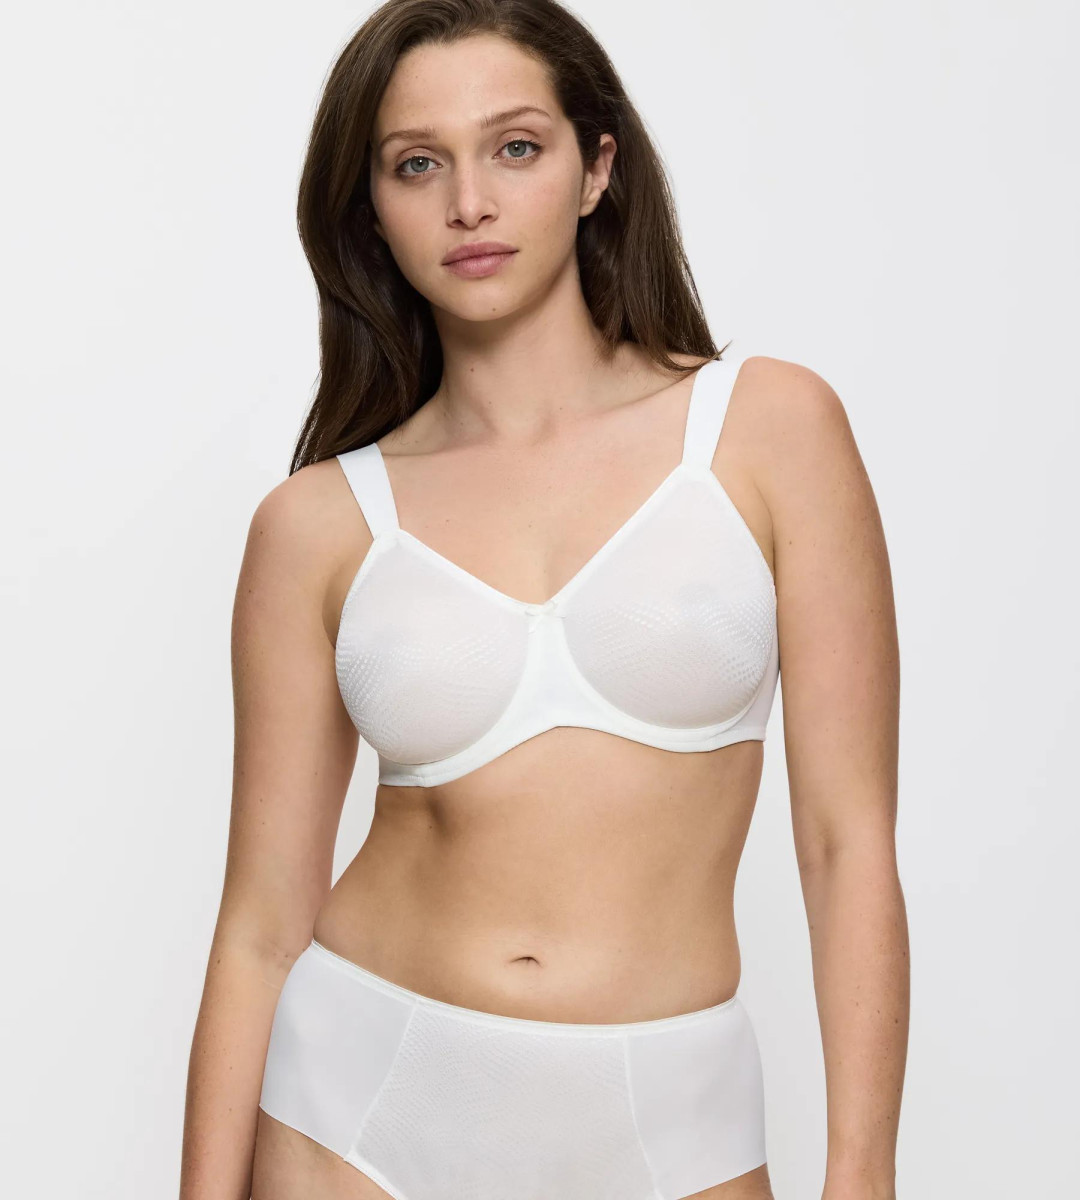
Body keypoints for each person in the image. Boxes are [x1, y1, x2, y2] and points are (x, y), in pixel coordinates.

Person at [180, 2, 908, 1198]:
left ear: (596, 169)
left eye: (515, 147)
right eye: (418, 165)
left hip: (671, 1122)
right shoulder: (315, 524)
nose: (469, 202)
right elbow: (260, 926)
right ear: (372, 211)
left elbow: (847, 845)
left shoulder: (770, 433)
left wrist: (862, 1172)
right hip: (357, 1107)